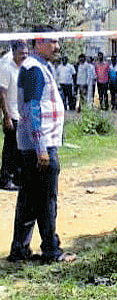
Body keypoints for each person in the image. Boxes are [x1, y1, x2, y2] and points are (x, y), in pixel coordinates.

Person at [8, 26, 75, 263]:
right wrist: (41, 148)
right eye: (52, 42)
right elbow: (33, 110)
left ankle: (19, 250)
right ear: (39, 42)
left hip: (32, 146)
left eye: (58, 41)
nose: (57, 46)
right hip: (40, 146)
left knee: (28, 200)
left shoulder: (38, 67)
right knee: (46, 200)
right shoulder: (34, 69)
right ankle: (51, 251)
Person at [0, 40, 28, 191]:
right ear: (14, 52)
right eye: (21, 53)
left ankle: (17, 178)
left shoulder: (22, 68)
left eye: (26, 53)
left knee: (19, 150)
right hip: (11, 115)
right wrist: (6, 117)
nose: (24, 56)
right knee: (10, 150)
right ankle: (5, 178)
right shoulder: (6, 68)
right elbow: (1, 94)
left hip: (21, 115)